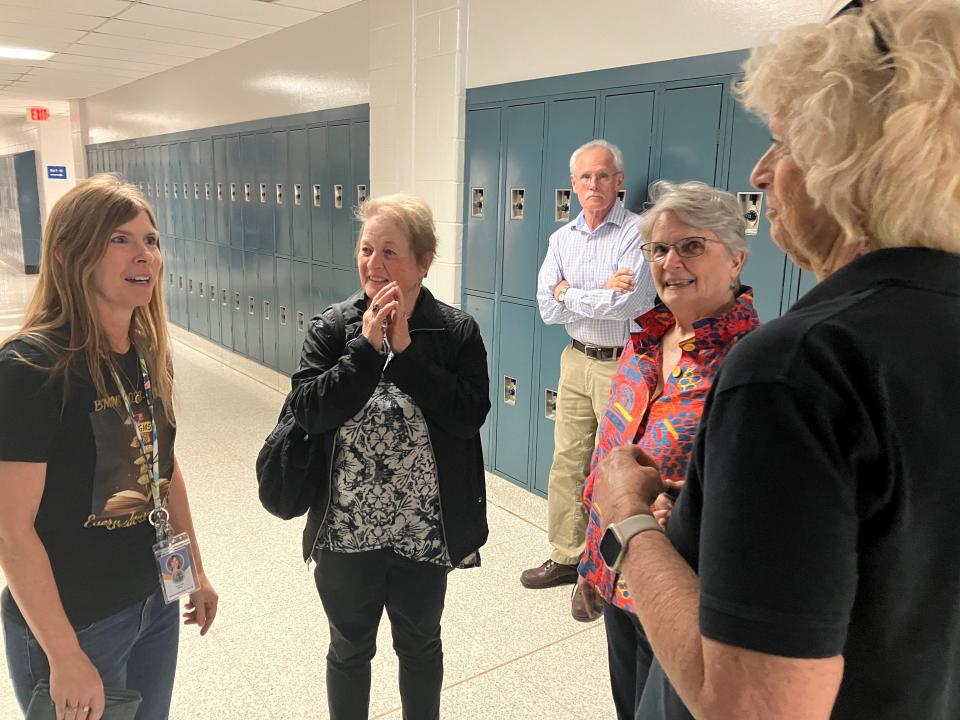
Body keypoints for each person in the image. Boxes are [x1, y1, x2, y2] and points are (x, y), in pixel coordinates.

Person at [593, 1, 960, 718]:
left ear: (852, 159)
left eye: (783, 141)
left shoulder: (795, 369)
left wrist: (628, 519)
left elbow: (753, 706)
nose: (761, 172)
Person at [0, 174, 218, 720]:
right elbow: (10, 529)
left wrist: (194, 571)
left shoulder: (145, 353)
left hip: (152, 605)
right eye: (119, 239)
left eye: (151, 239)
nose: (143, 254)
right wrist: (63, 654)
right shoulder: (31, 368)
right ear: (69, 252)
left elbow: (163, 471)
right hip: (76, 622)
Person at [288, 193, 490, 720]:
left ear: (424, 262)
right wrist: (365, 349)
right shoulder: (334, 329)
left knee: (420, 647)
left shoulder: (456, 332)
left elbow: (468, 415)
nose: (373, 266)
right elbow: (307, 411)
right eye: (366, 249)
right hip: (346, 531)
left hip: (422, 532)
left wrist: (405, 352)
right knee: (349, 649)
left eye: (390, 253)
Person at [577, 181, 760, 718]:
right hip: (622, 569)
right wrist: (596, 565)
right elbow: (609, 461)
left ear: (736, 259)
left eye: (692, 246)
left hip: (685, 592)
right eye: (659, 249)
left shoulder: (752, 363)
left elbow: (755, 501)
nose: (671, 262)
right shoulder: (642, 345)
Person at [522, 139, 657, 617]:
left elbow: (625, 303)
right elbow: (544, 306)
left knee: (614, 470)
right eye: (584, 177)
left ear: (619, 182)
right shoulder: (563, 239)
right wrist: (595, 289)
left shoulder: (637, 232)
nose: (593, 185)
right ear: (573, 184)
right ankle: (565, 555)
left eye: (603, 176)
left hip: (623, 362)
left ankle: (602, 574)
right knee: (567, 461)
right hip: (576, 358)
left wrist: (569, 290)